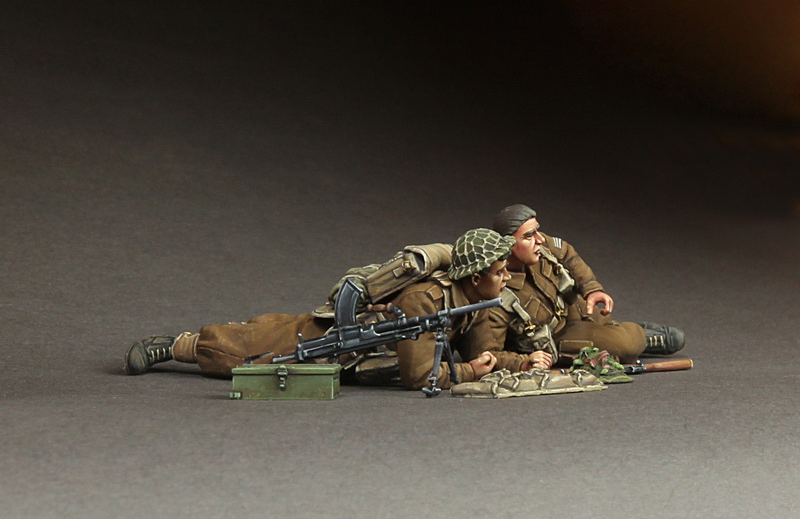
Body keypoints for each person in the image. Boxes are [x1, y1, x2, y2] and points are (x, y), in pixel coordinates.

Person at [123, 228, 521, 391]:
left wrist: (523, 362)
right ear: (474, 277)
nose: (507, 278)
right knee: (236, 351)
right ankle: (173, 346)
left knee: (263, 332)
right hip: (331, 338)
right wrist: (469, 373)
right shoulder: (427, 300)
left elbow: (482, 352)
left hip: (352, 358)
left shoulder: (473, 304)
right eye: (500, 271)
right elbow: (418, 376)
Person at [462, 204, 685, 372]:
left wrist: (591, 289)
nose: (540, 239)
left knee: (603, 318)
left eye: (537, 231)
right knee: (625, 345)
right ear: (508, 244)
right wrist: (523, 362)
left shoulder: (538, 246)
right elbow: (488, 354)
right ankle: (641, 338)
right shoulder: (494, 294)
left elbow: (567, 254)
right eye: (529, 236)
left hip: (571, 307)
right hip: (556, 336)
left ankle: (623, 329)